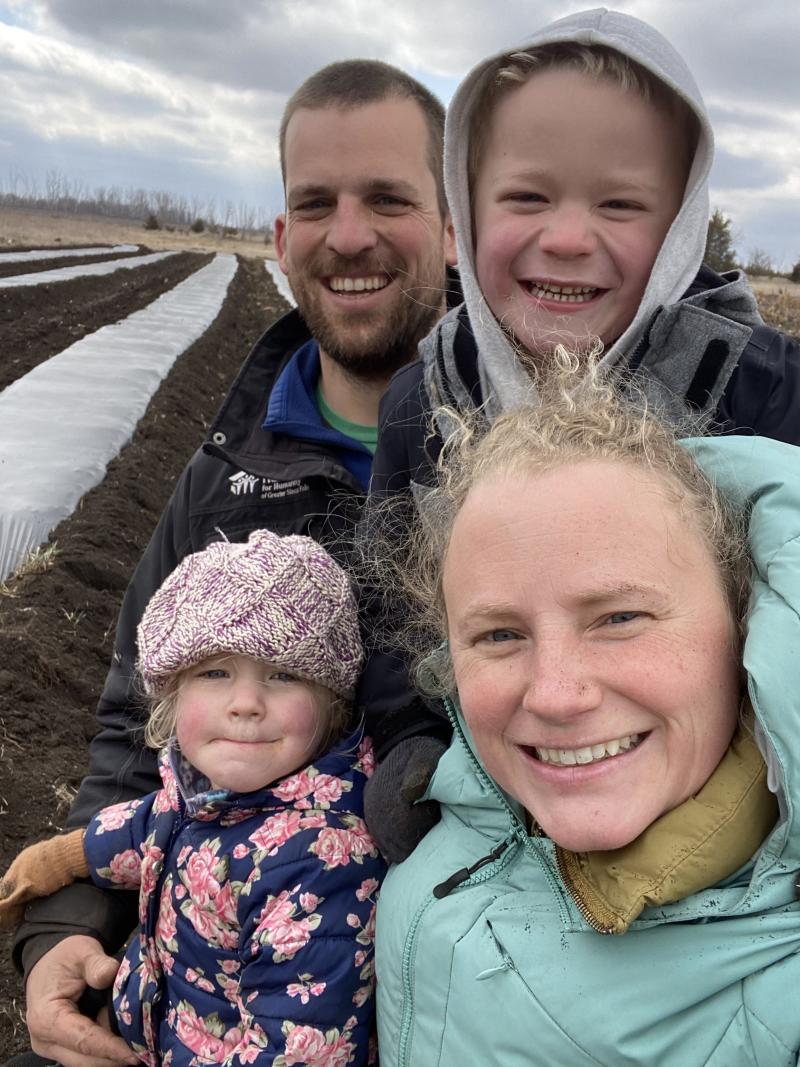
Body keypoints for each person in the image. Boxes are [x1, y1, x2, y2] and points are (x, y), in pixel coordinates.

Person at [9, 60, 455, 1067]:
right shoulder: (218, 485)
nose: (349, 234)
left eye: (388, 198)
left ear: (454, 227)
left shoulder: (518, 460)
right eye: (315, 204)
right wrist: (61, 932)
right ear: (280, 238)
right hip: (204, 983)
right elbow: (135, 730)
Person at [358, 7, 800, 864]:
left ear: (680, 225)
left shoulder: (762, 391)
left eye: (621, 204)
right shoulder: (423, 402)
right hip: (496, 807)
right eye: (526, 196)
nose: (565, 238)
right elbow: (387, 616)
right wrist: (414, 740)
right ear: (466, 214)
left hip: (733, 844)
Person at [373, 352, 800, 1065]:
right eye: (499, 634)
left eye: (620, 617)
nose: (555, 694)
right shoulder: (459, 822)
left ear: (741, 625)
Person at [2, 529, 384, 1065]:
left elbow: (297, 1051)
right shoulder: (199, 794)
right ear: (173, 697)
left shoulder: (322, 863)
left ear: (331, 706)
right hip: (154, 1031)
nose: (246, 702)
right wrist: (61, 859)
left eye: (283, 674)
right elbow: (143, 827)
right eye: (215, 672)